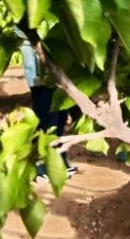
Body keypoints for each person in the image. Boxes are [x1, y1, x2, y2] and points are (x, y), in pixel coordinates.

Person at [16, 28, 78, 179]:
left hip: (58, 55)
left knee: (60, 113)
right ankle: (41, 164)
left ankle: (58, 159)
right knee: (46, 115)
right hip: (39, 61)